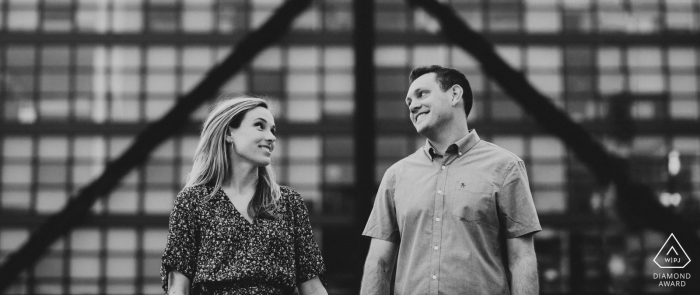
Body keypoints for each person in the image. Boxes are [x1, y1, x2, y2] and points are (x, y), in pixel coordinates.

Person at [361, 65, 541, 295]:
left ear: (455, 94)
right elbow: (379, 264)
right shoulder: (396, 176)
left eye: (422, 94)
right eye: (409, 102)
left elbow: (521, 259)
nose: (413, 105)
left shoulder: (505, 167)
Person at [161, 95, 327, 295]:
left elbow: (313, 287)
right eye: (260, 126)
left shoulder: (289, 203)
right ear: (229, 133)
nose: (272, 137)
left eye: (273, 130)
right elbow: (178, 287)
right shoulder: (192, 202)